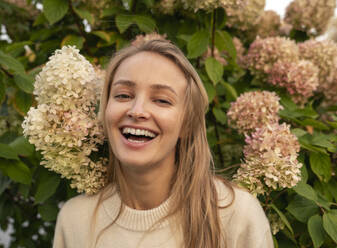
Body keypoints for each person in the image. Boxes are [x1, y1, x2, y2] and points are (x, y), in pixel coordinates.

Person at [53, 39, 273, 248]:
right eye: (123, 95)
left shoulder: (236, 214)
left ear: (187, 124)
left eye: (161, 100)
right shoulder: (75, 221)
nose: (137, 111)